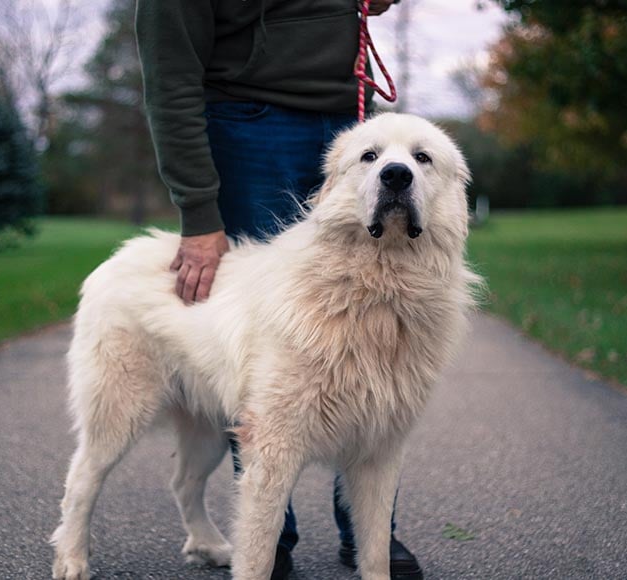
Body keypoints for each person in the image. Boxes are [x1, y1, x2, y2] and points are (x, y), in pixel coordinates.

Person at [136, 1, 422, 579]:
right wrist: (199, 213)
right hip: (249, 123)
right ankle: (270, 538)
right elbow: (169, 73)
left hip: (347, 117)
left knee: (376, 345)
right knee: (270, 349)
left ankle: (370, 534)